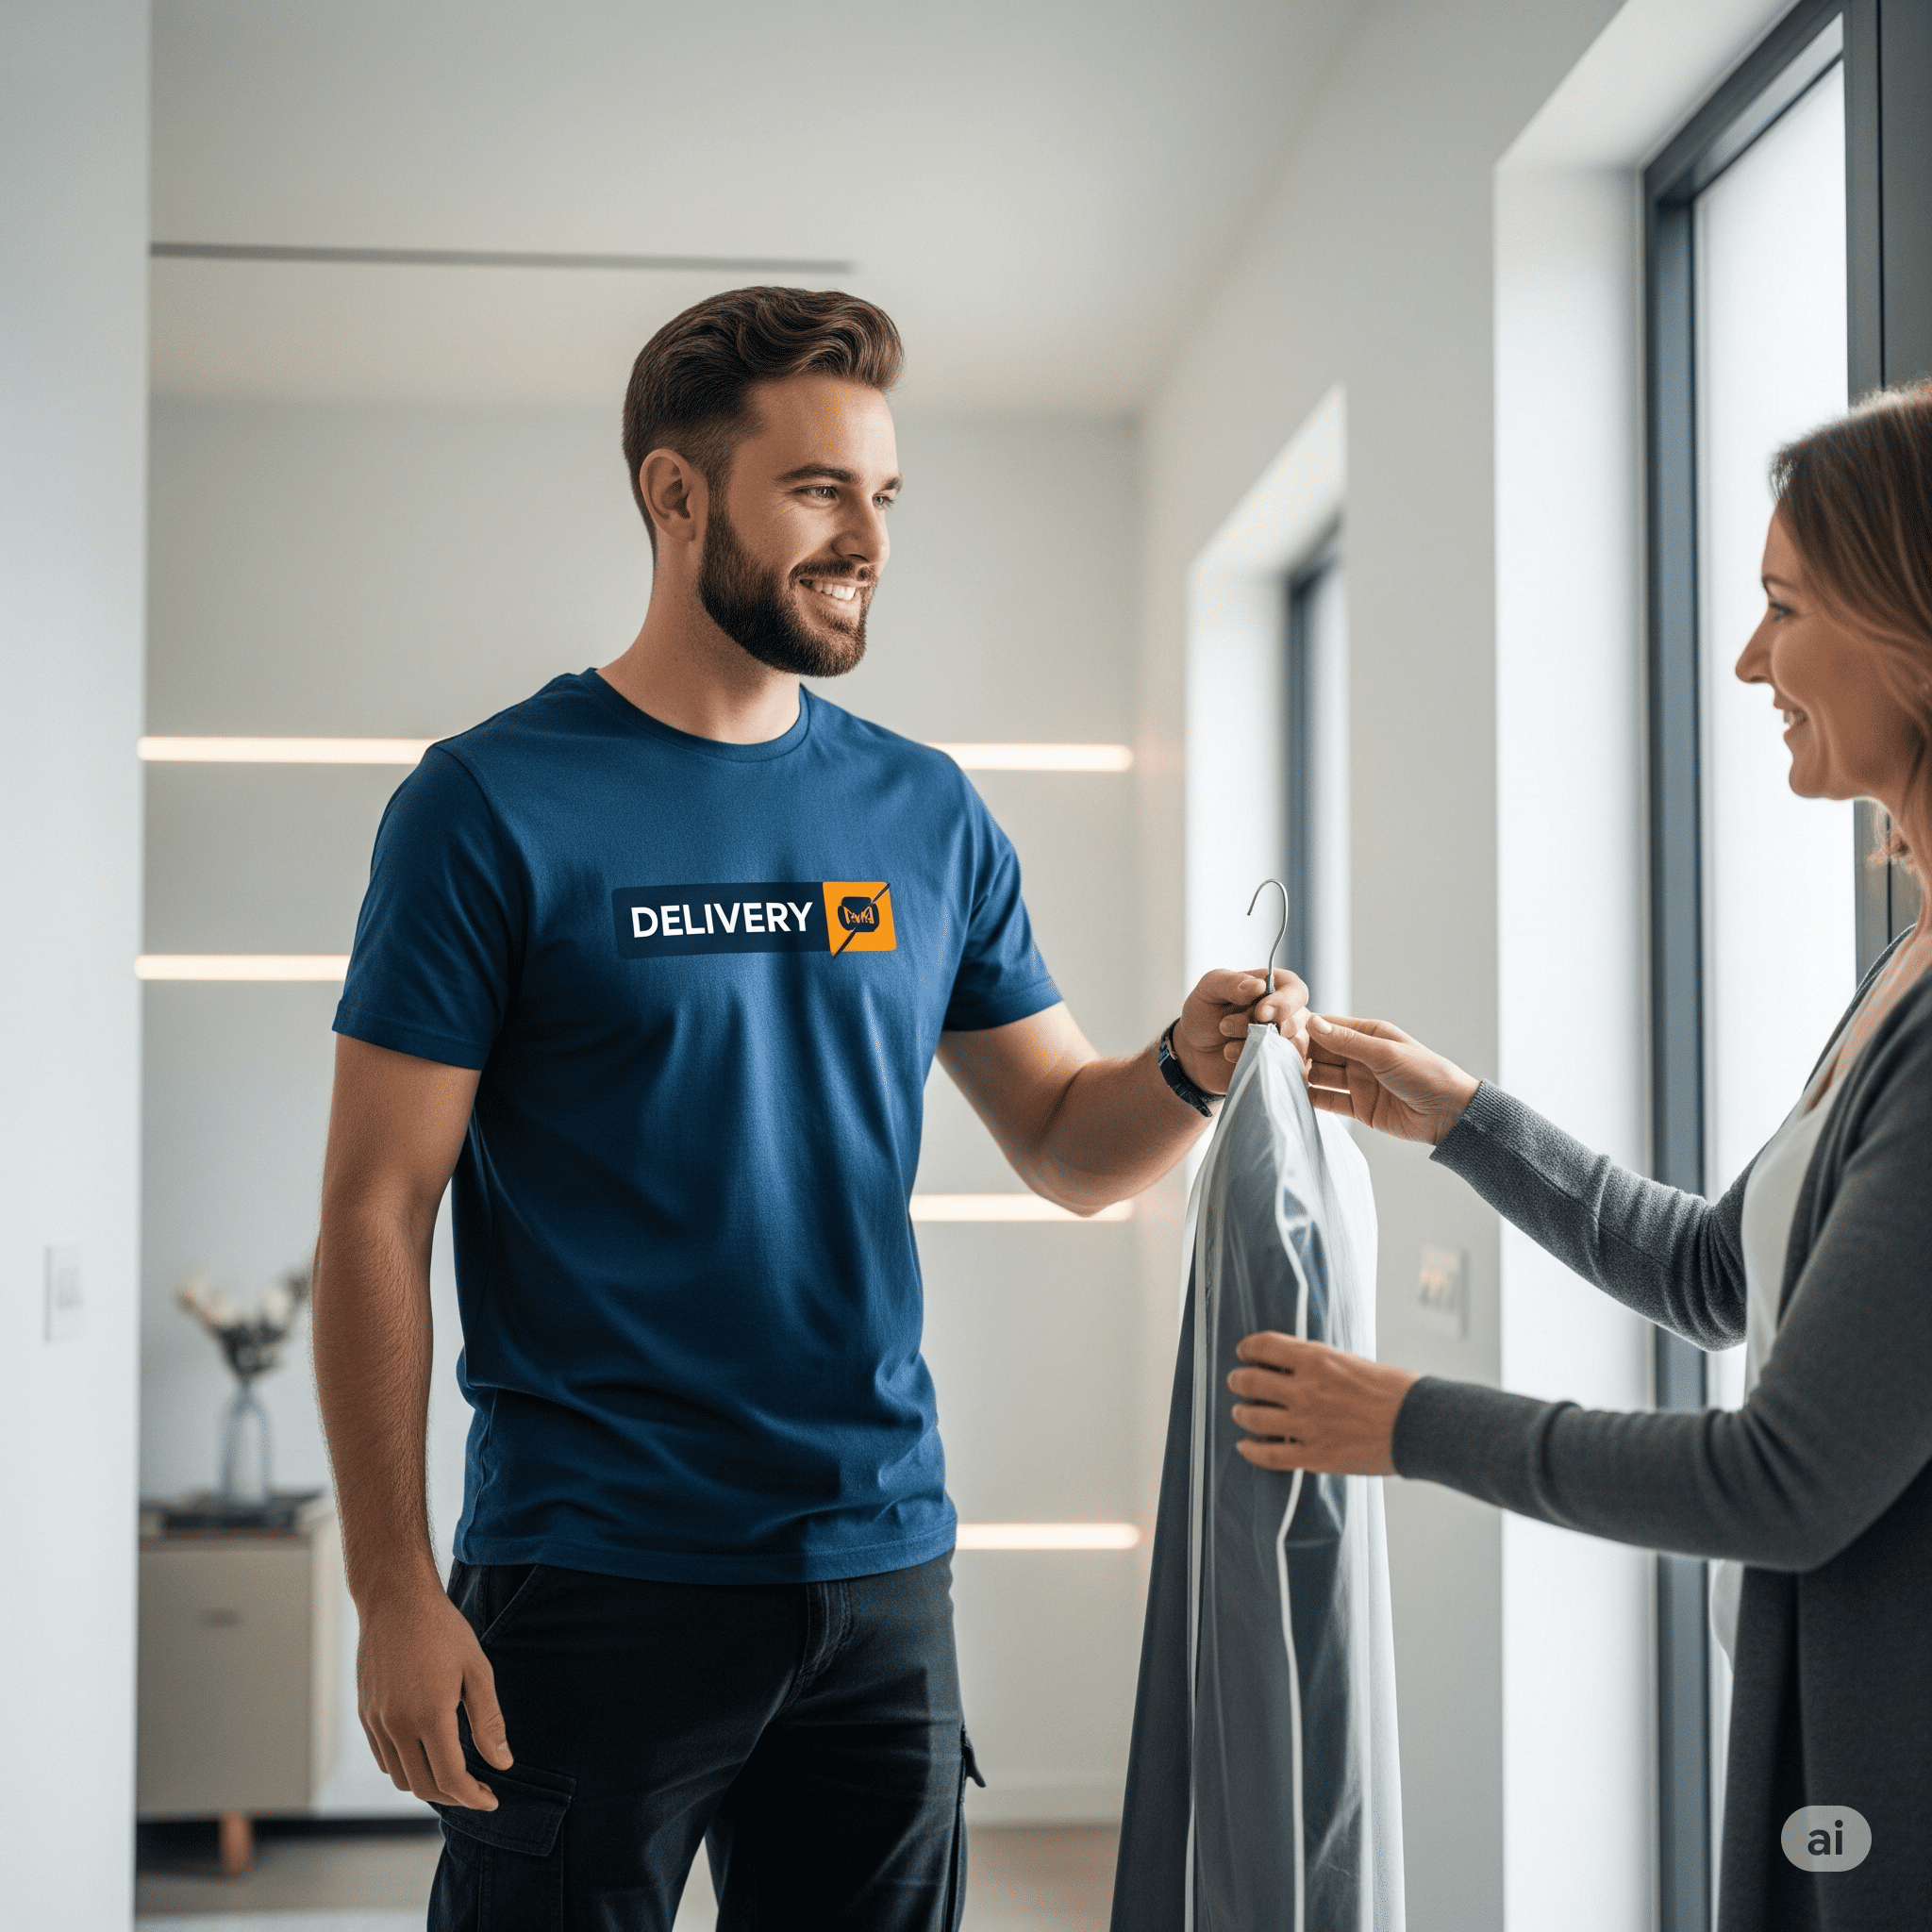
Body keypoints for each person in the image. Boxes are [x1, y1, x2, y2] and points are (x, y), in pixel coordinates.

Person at [310, 284, 1304, 1932]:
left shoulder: (921, 810)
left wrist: (1191, 1064)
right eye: (821, 489)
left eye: (887, 494)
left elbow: (1062, 1140)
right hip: (592, 1582)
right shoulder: (486, 806)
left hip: (878, 1575)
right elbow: (372, 1214)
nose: (870, 538)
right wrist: (392, 1589)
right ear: (676, 494)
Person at [1225, 383, 1932, 1929]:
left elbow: (1784, 1482)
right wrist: (1464, 1119)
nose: (1751, 659)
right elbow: (1712, 1272)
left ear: (1912, 628)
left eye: (1783, 607)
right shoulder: (1903, 973)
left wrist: (1405, 1421)